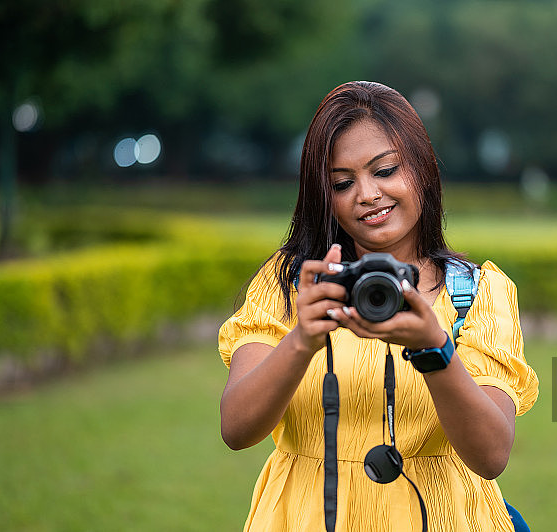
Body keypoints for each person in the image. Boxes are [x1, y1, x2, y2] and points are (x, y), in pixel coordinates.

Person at [218, 81, 539, 531]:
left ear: (422, 170)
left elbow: (491, 455)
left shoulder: (476, 292)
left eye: (385, 171)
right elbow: (236, 429)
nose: (367, 194)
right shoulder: (293, 282)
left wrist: (434, 348)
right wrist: (303, 338)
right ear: (324, 196)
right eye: (343, 183)